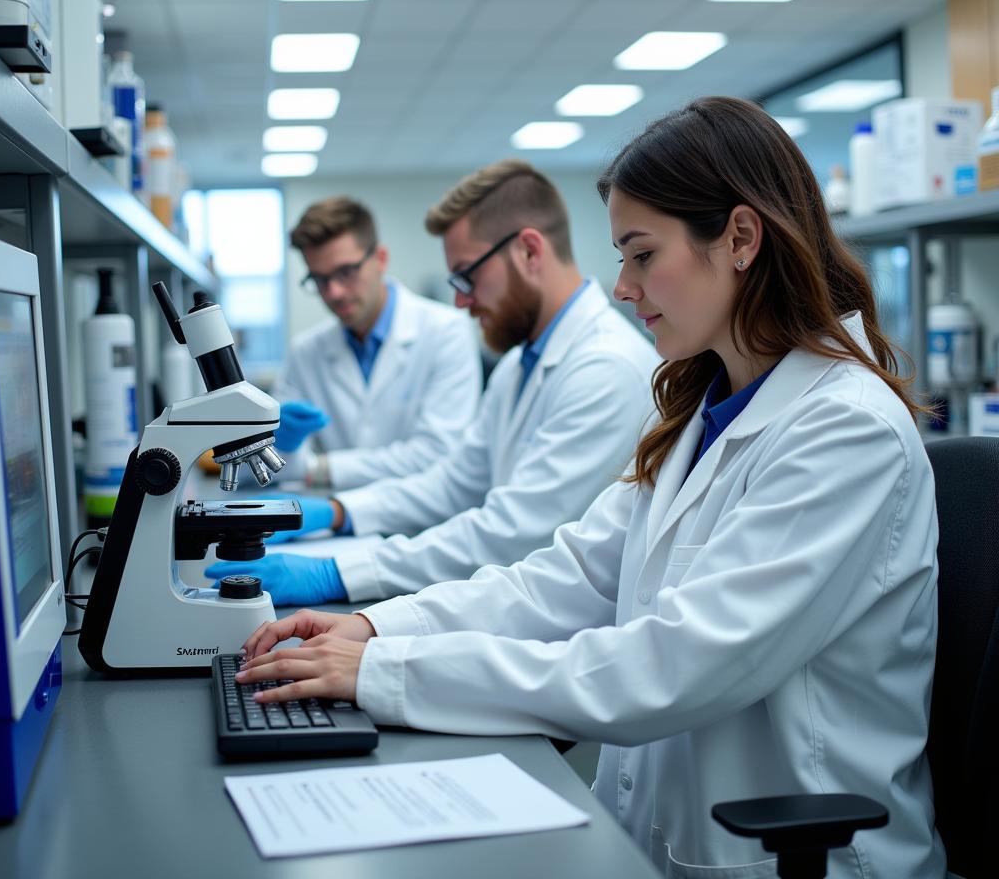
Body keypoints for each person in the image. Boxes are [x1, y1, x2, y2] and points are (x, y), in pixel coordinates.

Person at [233, 99, 944, 877]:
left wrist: (390, 673)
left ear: (740, 238)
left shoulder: (845, 430)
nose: (623, 288)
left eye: (641, 255)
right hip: (666, 837)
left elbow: (673, 667)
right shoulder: (703, 406)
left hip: (798, 856)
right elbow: (564, 578)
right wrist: (375, 627)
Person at [208, 160, 658, 604]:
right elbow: (454, 483)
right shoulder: (518, 364)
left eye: (468, 275)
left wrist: (339, 572)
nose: (461, 301)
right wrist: (341, 511)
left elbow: (509, 533)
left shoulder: (605, 368)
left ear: (529, 251)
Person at [270, 196, 482, 498]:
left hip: (424, 526)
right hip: (334, 528)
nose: (334, 292)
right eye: (319, 279)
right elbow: (277, 465)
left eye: (346, 272)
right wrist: (282, 442)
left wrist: (317, 468)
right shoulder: (305, 352)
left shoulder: (446, 331)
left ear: (380, 259)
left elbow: (437, 453)